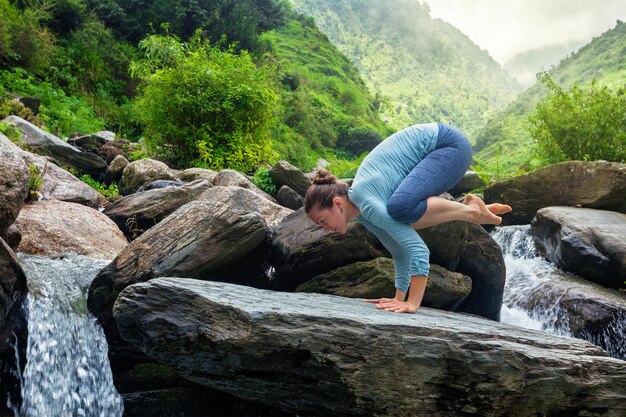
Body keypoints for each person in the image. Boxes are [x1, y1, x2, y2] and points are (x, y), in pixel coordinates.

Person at [304, 123, 511, 314]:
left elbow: (418, 249)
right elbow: (398, 250)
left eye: (323, 221)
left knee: (400, 209)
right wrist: (398, 297)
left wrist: (412, 303)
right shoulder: (364, 212)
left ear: (338, 204)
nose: (325, 229)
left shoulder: (365, 200)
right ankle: (469, 210)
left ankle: (470, 212)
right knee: (402, 216)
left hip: (450, 146)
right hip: (442, 150)